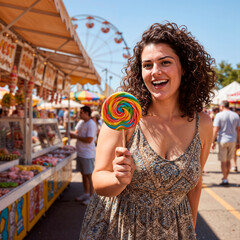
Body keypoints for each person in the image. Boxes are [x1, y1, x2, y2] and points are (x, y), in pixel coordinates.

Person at [80, 22, 215, 239]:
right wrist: (117, 180)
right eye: (147, 65)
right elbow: (99, 181)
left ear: (184, 68)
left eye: (165, 62)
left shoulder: (204, 125)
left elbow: (195, 187)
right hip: (119, 230)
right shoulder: (125, 119)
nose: (155, 72)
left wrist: (191, 230)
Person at [70, 106, 97, 205]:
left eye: (81, 112)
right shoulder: (81, 122)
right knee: (83, 174)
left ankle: (92, 197)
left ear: (86, 113)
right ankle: (86, 193)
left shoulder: (91, 124)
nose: (79, 114)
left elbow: (89, 139)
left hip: (87, 154)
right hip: (80, 152)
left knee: (89, 176)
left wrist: (76, 136)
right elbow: (76, 132)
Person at [212, 100, 240, 185]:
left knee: (223, 161)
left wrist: (213, 141)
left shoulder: (219, 115)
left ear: (222, 106)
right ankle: (226, 177)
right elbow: (238, 130)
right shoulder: (235, 115)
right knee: (228, 160)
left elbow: (215, 129)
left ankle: (225, 178)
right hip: (232, 140)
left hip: (222, 140)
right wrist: (239, 141)